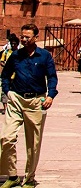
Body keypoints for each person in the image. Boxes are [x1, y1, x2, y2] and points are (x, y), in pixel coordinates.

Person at [0, 23, 58, 188]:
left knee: (33, 142)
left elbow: (52, 77)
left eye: (27, 37)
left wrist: (51, 95)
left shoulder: (44, 56)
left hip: (36, 101)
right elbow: (4, 75)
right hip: (16, 98)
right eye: (22, 37)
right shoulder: (16, 55)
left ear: (36, 37)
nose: (23, 40)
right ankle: (12, 175)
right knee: (6, 137)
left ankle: (30, 177)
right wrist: (7, 91)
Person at [0, 34, 19, 114]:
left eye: (15, 44)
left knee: (15, 92)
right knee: (4, 91)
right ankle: (5, 108)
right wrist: (7, 66)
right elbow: (1, 61)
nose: (13, 45)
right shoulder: (6, 52)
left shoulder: (20, 53)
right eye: (12, 44)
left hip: (17, 76)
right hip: (7, 75)